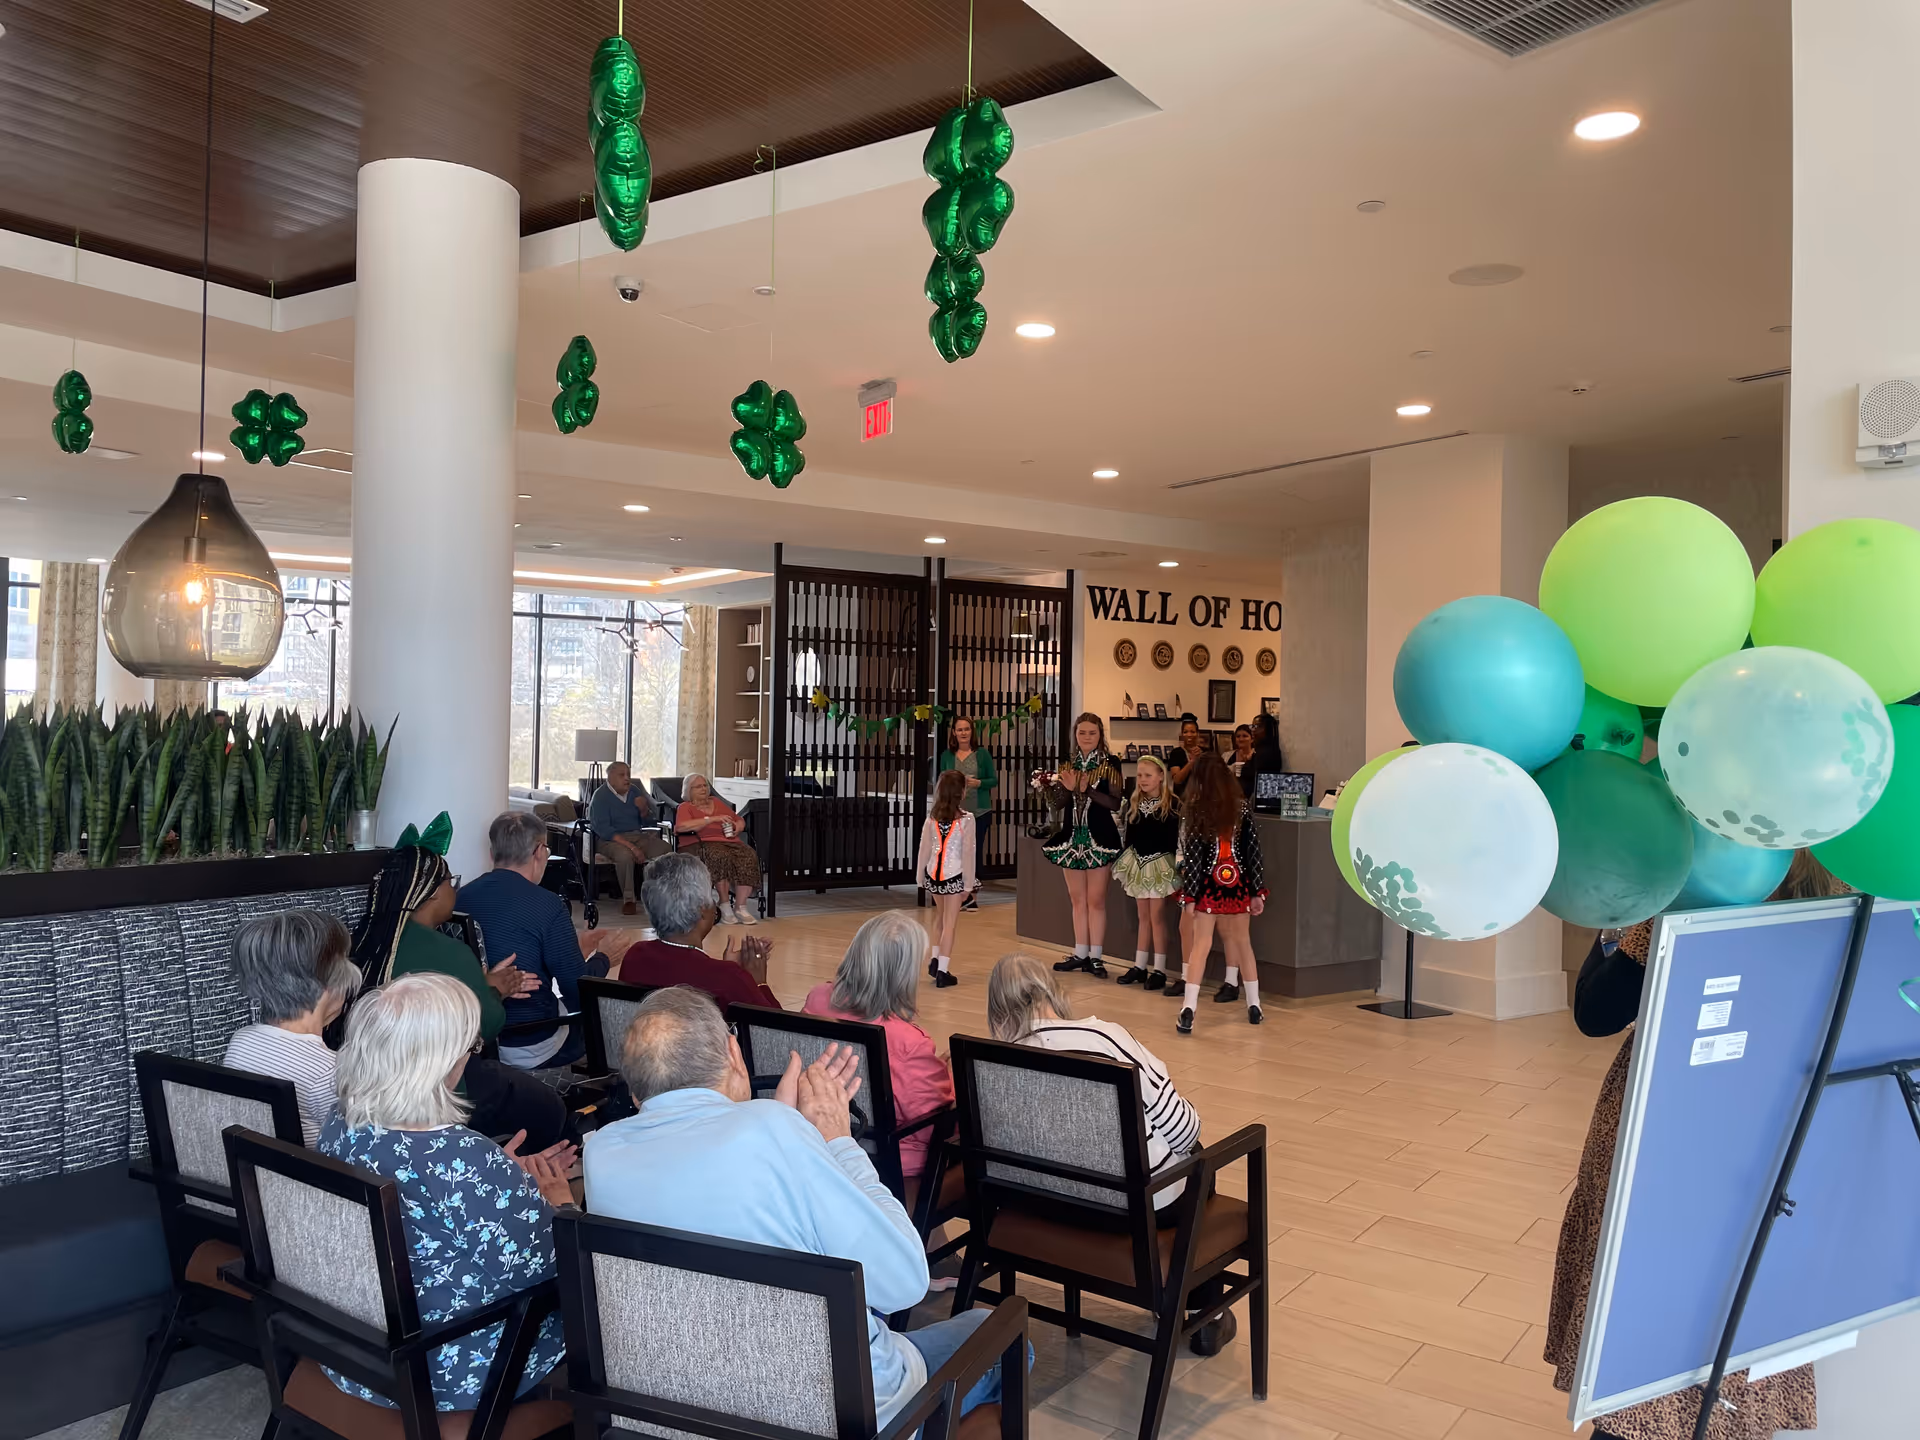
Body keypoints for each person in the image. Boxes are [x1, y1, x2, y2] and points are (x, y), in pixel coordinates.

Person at [584, 986, 1019, 1429]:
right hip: (826, 1413)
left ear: (637, 1094)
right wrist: (835, 1140)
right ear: (734, 1054)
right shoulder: (772, 1132)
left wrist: (782, 1125)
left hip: (676, 1408)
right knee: (1006, 1341)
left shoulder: (600, 1154)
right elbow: (905, 1281)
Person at [1543, 854, 1843, 1440]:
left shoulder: (1697, 887)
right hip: (1784, 1123)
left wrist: (1617, 915)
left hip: (1668, 1121)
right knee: (1745, 1283)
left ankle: (1634, 1419)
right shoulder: (1845, 896)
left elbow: (1596, 1011)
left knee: (1647, 1284)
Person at [318, 974, 575, 1413]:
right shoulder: (465, 1159)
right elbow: (555, 1272)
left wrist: (503, 1183)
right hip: (453, 1371)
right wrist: (559, 1202)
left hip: (356, 1349)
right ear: (442, 1063)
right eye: (470, 1048)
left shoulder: (340, 1122)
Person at [350, 844, 570, 1148]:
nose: (455, 889)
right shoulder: (450, 951)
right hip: (445, 1084)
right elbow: (485, 1025)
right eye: (450, 882)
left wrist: (483, 983)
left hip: (374, 1082)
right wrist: (496, 990)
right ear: (433, 893)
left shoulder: (362, 937)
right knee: (550, 1109)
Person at [986, 954, 1201, 1206]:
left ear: (997, 1010)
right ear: (1053, 991)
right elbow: (1183, 1133)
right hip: (1135, 1206)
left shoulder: (991, 1063)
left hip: (1040, 1203)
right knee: (1197, 1155)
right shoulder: (1104, 1038)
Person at [803, 912, 955, 1181]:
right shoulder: (908, 1041)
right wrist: (951, 1080)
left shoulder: (817, 999)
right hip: (884, 1160)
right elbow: (933, 1129)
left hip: (816, 1141)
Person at [457, 811, 612, 1070]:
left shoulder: (460, 897)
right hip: (531, 1040)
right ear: (540, 851)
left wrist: (575, 949)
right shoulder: (548, 905)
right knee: (601, 1018)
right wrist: (603, 958)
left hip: (474, 1038)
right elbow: (576, 990)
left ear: (492, 853)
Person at [224, 908, 361, 1144]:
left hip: (254, 1168)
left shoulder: (241, 1041)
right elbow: (353, 1146)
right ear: (330, 986)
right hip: (311, 1177)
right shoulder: (330, 1072)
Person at [1174, 752, 1266, 1034]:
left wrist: (1189, 895)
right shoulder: (1241, 807)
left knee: (1200, 945)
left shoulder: (1197, 808)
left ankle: (1188, 1007)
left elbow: (1193, 856)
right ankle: (1255, 1005)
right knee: (1243, 943)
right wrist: (1257, 891)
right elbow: (1253, 852)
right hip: (1238, 886)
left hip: (1207, 888)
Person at [619, 851, 779, 1009]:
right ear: (701, 909)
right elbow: (779, 1033)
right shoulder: (729, 977)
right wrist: (758, 982)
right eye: (710, 895)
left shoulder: (635, 955)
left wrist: (728, 967)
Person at [1039, 713, 1122, 979]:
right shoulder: (1068, 762)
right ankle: (1080, 952)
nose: (1086, 737)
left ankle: (1096, 957)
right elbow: (1059, 804)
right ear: (1075, 734)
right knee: (1077, 900)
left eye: (1092, 733)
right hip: (1071, 838)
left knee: (1096, 901)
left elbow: (1115, 803)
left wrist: (1085, 790)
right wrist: (1051, 789)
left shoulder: (1111, 763)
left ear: (1100, 735)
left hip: (1100, 838)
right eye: (1082, 732)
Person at [1112, 755, 1180, 990]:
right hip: (1139, 863)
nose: (1142, 779)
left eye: (1148, 775)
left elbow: (1174, 841)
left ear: (1161, 776)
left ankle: (1159, 969)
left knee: (1157, 917)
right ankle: (1140, 966)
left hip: (1160, 865)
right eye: (1139, 775)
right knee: (1142, 917)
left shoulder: (1172, 805)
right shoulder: (1133, 804)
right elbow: (1130, 837)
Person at [673, 774, 760, 925]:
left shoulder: (717, 802)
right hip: (698, 843)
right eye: (698, 786)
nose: (703, 789)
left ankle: (740, 906)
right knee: (719, 855)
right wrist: (711, 819)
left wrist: (740, 825)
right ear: (688, 790)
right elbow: (681, 827)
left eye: (705, 785)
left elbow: (737, 818)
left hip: (728, 841)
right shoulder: (685, 807)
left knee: (748, 855)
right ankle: (725, 904)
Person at [918, 770, 975, 988]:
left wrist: (920, 876)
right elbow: (968, 854)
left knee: (939, 919)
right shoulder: (966, 819)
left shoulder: (932, 817)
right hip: (954, 877)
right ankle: (943, 970)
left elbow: (924, 849)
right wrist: (968, 884)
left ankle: (934, 960)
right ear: (962, 791)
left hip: (933, 876)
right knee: (950, 924)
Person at [588, 761, 664, 917]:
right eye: (622, 775)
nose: (627, 779)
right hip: (610, 840)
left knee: (665, 850)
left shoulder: (634, 792)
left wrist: (643, 809)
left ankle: (661, 895)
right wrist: (633, 848)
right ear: (610, 777)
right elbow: (604, 830)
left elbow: (649, 822)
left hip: (637, 835)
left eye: (628, 774)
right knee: (625, 856)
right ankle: (629, 899)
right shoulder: (600, 797)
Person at [938, 716, 997, 912]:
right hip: (953, 814)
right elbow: (941, 780)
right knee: (954, 855)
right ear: (954, 732)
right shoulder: (947, 755)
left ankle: (971, 896)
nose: (963, 733)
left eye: (966, 729)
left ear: (972, 732)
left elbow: (993, 780)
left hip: (979, 812)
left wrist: (978, 783)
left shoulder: (982, 754)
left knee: (974, 854)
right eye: (959, 729)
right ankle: (955, 894)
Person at [1237, 712, 1284, 801]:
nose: (1253, 730)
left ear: (1268, 729)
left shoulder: (1267, 753)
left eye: (1257, 726)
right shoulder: (1259, 751)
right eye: (1252, 726)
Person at [1167, 714, 1207, 790]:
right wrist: (1192, 762)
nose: (1189, 735)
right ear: (1182, 734)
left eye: (1192, 732)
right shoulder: (1176, 753)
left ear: (1197, 734)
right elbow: (1177, 780)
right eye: (1185, 732)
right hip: (1182, 797)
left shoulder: (1206, 752)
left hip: (1202, 797)